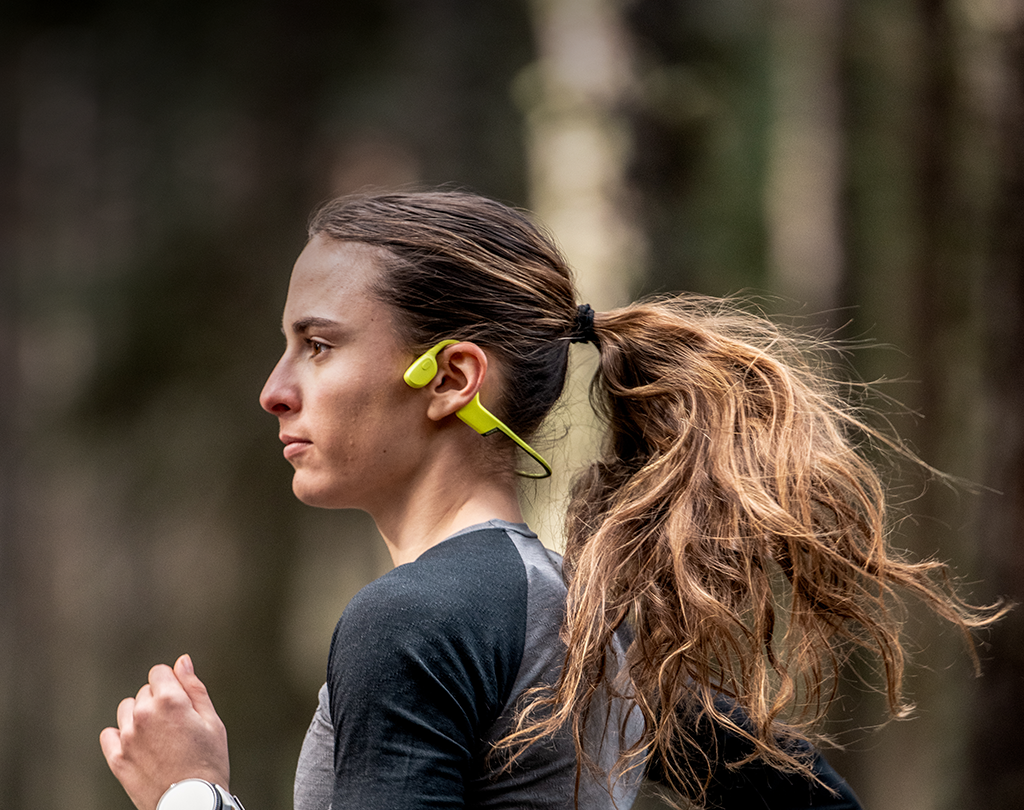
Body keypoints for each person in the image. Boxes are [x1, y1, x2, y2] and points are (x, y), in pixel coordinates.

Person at [100, 189, 1004, 810]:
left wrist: (190, 791)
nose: (275, 388)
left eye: (319, 345)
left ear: (451, 376)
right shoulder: (585, 623)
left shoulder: (413, 624)